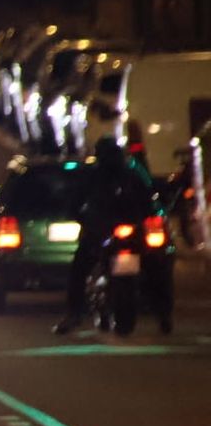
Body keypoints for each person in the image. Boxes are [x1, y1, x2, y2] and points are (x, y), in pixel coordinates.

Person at [54, 137, 156, 334]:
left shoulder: (125, 175)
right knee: (80, 268)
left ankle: (74, 313)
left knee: (156, 263)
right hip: (102, 234)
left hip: (123, 234)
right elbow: (76, 203)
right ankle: (74, 313)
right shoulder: (105, 176)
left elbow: (149, 202)